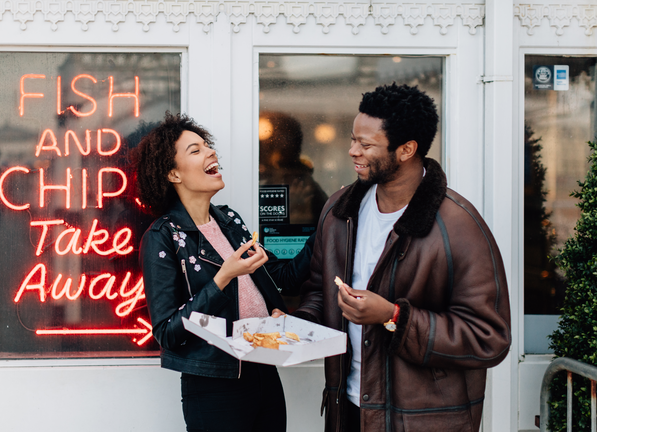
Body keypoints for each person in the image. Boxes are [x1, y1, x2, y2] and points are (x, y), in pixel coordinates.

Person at [289, 83, 511, 431]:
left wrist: (393, 316)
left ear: (407, 149)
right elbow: (319, 290)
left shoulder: (460, 226)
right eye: (352, 140)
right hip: (348, 409)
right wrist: (294, 327)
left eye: (365, 144)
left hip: (424, 420)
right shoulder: (339, 210)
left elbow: (489, 338)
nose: (352, 151)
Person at [136, 112, 313, 432]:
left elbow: (283, 278)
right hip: (214, 386)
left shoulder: (230, 221)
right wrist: (223, 277)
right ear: (173, 173)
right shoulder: (162, 236)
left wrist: (327, 225)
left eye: (207, 146)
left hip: (264, 371)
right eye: (196, 150)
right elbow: (167, 332)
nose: (211, 152)